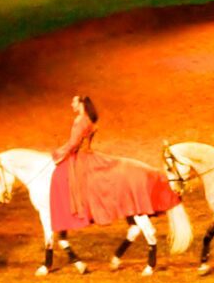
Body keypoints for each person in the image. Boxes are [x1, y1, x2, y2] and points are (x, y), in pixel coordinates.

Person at [48, 95, 176, 231]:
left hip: (81, 159)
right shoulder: (89, 119)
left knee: (69, 181)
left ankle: (79, 214)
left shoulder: (80, 120)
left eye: (73, 102)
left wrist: (59, 152)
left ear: (81, 104)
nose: (71, 104)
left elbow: (74, 143)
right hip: (89, 154)